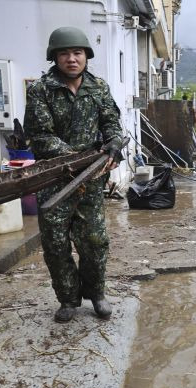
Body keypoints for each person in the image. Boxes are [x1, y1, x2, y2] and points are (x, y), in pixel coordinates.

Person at [24, 27, 123, 323]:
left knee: (94, 240)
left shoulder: (99, 87)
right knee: (55, 244)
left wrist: (114, 144)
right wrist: (76, 158)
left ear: (86, 56)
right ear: (55, 57)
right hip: (54, 180)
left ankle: (97, 295)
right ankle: (68, 299)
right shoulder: (41, 90)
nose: (71, 59)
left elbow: (111, 122)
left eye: (77, 53)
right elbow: (39, 136)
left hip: (90, 181)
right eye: (65, 53)